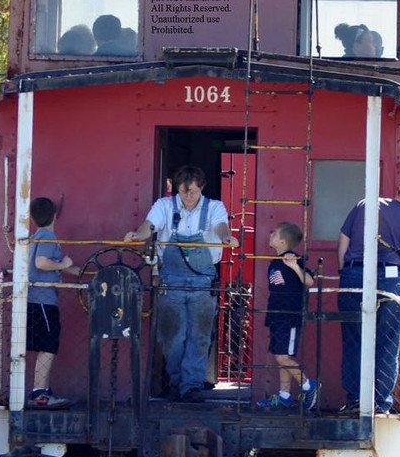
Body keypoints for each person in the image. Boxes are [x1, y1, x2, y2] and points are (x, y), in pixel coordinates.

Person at [125, 166, 239, 402]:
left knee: (199, 336)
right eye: (185, 192)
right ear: (177, 188)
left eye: (194, 192)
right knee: (172, 337)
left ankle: (191, 386)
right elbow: (150, 225)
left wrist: (226, 237)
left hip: (203, 281)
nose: (189, 197)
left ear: (202, 188)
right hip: (171, 282)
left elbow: (220, 226)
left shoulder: (215, 207)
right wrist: (138, 235)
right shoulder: (164, 206)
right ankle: (177, 380)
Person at [337, 174, 400, 413]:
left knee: (353, 338)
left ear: (399, 188)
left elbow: (343, 240)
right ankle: (379, 403)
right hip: (389, 281)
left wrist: (345, 271)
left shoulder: (366, 204)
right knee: (387, 342)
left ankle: (355, 399)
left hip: (354, 275)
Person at [27, 196, 81, 409]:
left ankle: (42, 390)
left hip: (36, 300)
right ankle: (39, 393)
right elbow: (42, 263)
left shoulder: (35, 237)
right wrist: (62, 264)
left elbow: (55, 264)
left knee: (46, 345)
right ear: (55, 215)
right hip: (43, 301)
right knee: (48, 346)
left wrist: (83, 272)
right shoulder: (48, 236)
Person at [257, 222, 318, 410]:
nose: (271, 234)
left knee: (283, 356)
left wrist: (294, 267)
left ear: (283, 241)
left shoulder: (293, 259)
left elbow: (309, 281)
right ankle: (284, 395)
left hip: (289, 315)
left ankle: (308, 385)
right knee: (280, 355)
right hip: (277, 315)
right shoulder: (275, 261)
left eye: (274, 233)